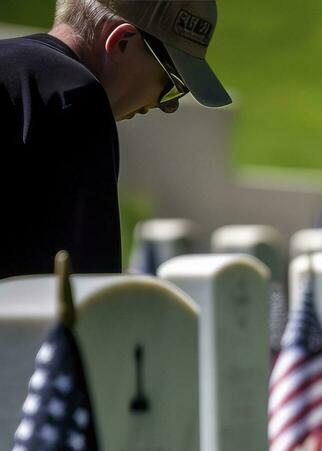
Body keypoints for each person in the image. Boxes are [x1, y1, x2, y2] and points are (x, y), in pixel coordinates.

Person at [0, 1, 232, 279]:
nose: (169, 106)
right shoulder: (74, 95)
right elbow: (89, 293)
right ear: (122, 41)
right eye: (172, 82)